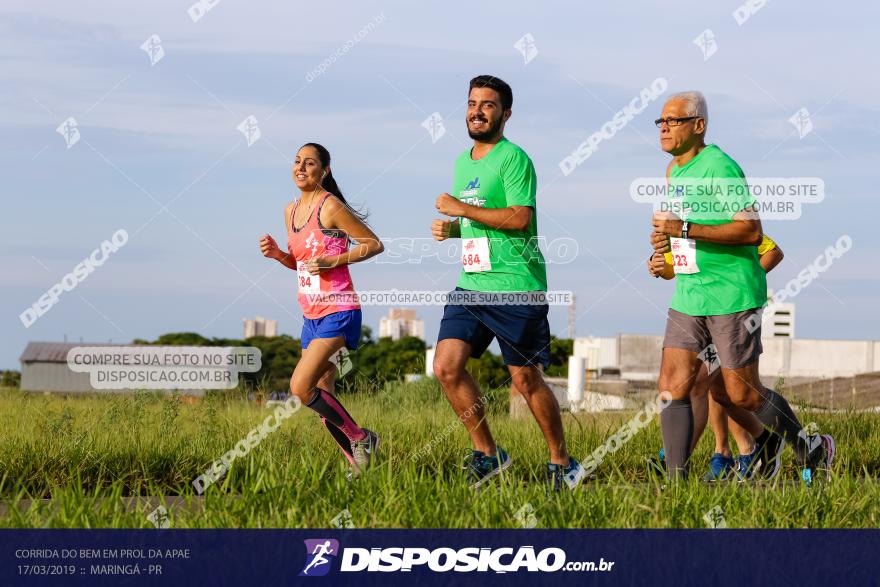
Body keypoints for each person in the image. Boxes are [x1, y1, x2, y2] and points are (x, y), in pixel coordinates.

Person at [649, 91, 834, 483]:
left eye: (673, 120)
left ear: (698, 126)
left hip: (732, 294)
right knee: (671, 384)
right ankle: (676, 485)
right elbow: (686, 234)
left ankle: (810, 448)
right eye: (660, 121)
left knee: (742, 395)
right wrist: (665, 254)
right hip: (690, 294)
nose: (664, 127)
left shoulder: (721, 167)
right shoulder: (673, 172)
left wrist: (682, 229)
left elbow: (752, 230)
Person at [431, 75, 583, 491]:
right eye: (472, 103)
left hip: (516, 285)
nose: (477, 111)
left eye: (488, 105)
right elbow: (484, 222)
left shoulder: (514, 159)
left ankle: (562, 461)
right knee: (446, 367)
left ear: (506, 113)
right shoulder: (465, 162)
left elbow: (519, 218)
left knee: (525, 380)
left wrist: (460, 208)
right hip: (471, 284)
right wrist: (456, 230)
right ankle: (489, 453)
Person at [260, 143, 384, 478]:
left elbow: (373, 244)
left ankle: (362, 438)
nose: (301, 167)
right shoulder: (290, 211)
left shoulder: (330, 207)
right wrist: (278, 256)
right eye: (297, 161)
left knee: (301, 388)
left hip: (339, 309)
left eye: (309, 163)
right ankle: (358, 469)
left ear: (324, 171)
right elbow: (301, 265)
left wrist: (333, 260)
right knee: (323, 398)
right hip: (310, 315)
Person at [648, 235, 785, 481]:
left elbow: (773, 252)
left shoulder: (720, 218)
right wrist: (658, 266)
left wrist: (741, 285)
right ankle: (754, 443)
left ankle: (687, 459)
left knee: (716, 386)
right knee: (717, 389)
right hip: (696, 312)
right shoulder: (677, 226)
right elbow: (674, 269)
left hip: (730, 311)